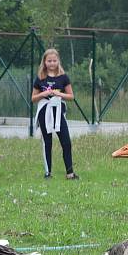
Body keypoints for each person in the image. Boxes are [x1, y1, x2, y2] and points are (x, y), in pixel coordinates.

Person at [31, 48, 78, 180]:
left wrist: (59, 94)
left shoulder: (63, 77)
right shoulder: (40, 78)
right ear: (44, 62)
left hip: (58, 113)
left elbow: (71, 96)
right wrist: (43, 94)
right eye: (49, 61)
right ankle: (48, 173)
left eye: (54, 61)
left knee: (66, 142)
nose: (52, 63)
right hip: (44, 112)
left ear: (58, 61)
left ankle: (70, 173)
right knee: (47, 142)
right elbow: (33, 99)